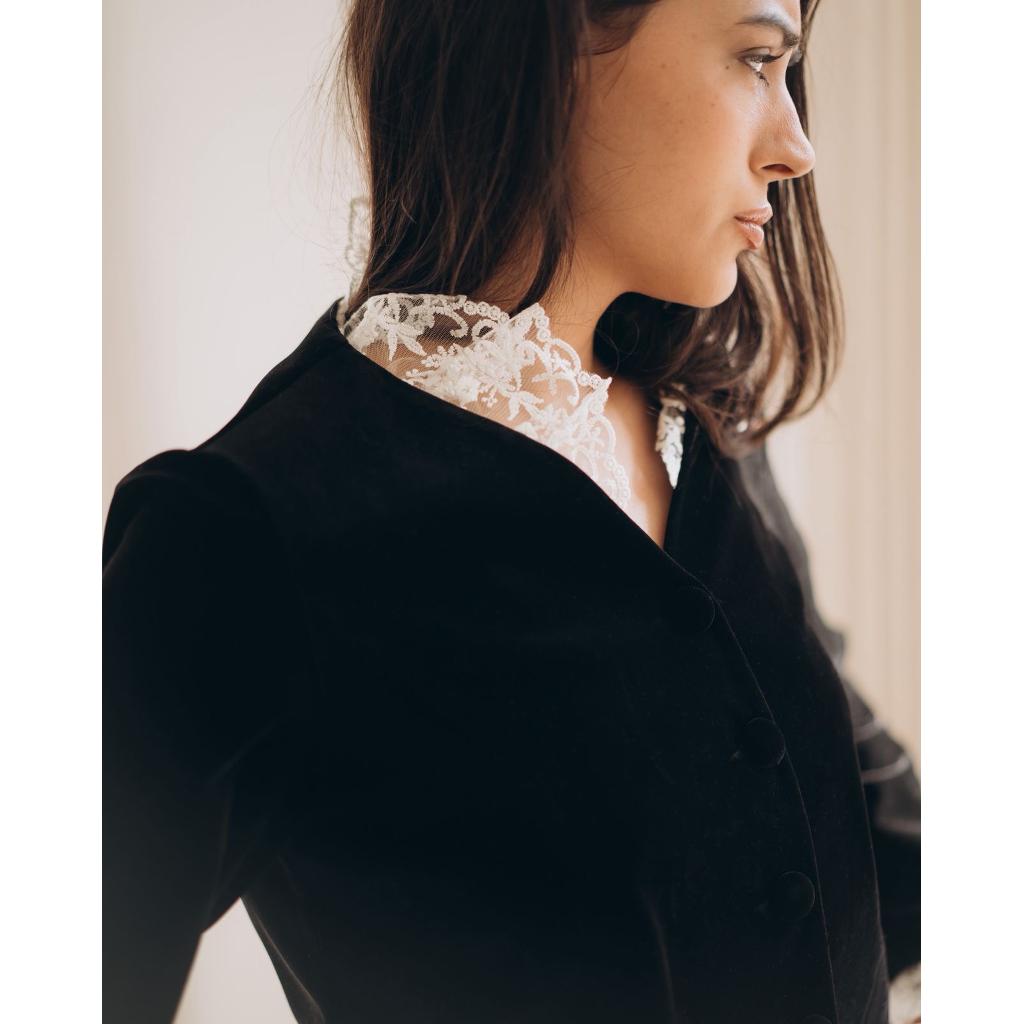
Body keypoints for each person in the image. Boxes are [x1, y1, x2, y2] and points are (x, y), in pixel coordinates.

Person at [103, 1, 921, 1022]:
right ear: (557, 41)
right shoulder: (238, 537)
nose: (796, 146)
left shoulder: (704, 431)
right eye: (757, 59)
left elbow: (867, 833)